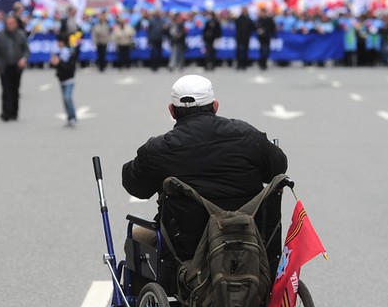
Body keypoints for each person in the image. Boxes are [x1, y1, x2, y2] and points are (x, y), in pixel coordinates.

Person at [122, 74, 288, 288]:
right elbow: (277, 168)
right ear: (215, 106)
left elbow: (136, 186)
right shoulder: (248, 136)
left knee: (138, 237)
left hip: (185, 253)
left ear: (172, 111)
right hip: (251, 243)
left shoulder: (160, 149)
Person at [0, 15, 29, 121]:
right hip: (4, 66)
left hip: (16, 67)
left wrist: (24, 59)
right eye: (8, 23)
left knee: (15, 90)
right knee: (5, 90)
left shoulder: (20, 35)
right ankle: (5, 112)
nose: (10, 25)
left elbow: (26, 50)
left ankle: (14, 112)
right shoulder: (0, 36)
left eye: (12, 23)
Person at [50, 32, 80, 127]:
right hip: (61, 79)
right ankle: (69, 117)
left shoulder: (69, 52)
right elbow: (54, 65)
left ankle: (73, 117)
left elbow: (68, 66)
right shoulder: (58, 52)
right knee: (64, 99)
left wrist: (59, 63)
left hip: (69, 79)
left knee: (68, 98)